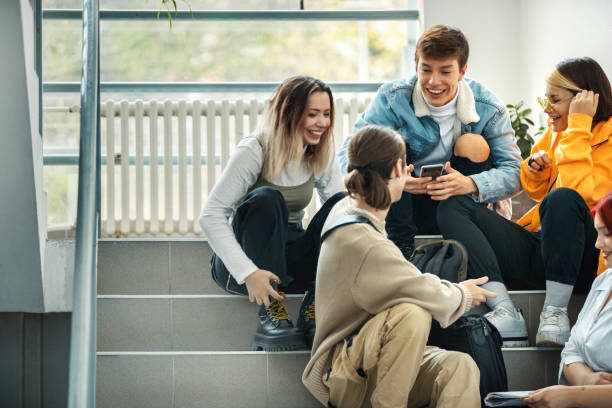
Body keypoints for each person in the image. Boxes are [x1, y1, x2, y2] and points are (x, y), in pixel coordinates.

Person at [303, 124, 496, 408]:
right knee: (411, 312)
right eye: (404, 167)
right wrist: (464, 293)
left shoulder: (349, 206)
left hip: (374, 359)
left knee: (458, 366)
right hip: (346, 373)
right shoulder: (362, 240)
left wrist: (399, 183)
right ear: (396, 167)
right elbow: (415, 285)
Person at [437, 57, 612, 347]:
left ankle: (555, 313)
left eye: (555, 100)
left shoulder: (586, 134)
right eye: (546, 99)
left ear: (585, 99)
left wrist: (579, 125)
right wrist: (535, 169)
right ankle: (505, 311)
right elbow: (535, 192)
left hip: (584, 262)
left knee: (564, 199)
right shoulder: (558, 133)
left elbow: (579, 198)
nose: (546, 108)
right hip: (543, 248)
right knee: (454, 205)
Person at [338, 24, 522, 258]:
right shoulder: (393, 98)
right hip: (403, 205)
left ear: (462, 71)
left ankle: (465, 247)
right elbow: (350, 153)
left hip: (461, 202)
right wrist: (394, 180)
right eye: (426, 70)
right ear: (416, 66)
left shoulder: (489, 107)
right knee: (391, 146)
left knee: (472, 143)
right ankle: (401, 249)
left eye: (445, 72)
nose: (434, 82)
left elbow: (515, 171)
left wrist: (470, 183)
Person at [199, 76, 345, 351]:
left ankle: (314, 306)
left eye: (326, 114)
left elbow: (343, 213)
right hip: (247, 263)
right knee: (268, 198)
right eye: (312, 114)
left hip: (289, 260)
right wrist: (249, 273)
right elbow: (211, 215)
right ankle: (271, 312)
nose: (322, 123)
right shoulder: (254, 149)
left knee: (341, 205)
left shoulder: (318, 152)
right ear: (289, 114)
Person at [524, 192, 612, 408]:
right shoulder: (603, 281)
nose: (597, 244)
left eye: (607, 234)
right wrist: (587, 380)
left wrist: (573, 396)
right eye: (597, 234)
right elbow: (571, 349)